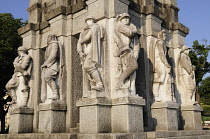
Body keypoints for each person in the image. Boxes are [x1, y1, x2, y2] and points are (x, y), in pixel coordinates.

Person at [113, 13, 140, 92]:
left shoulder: (130, 27)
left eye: (128, 18)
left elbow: (136, 44)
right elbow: (130, 33)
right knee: (133, 66)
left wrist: (136, 53)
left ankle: (130, 88)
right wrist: (135, 29)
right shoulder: (120, 25)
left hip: (130, 51)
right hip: (124, 50)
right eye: (124, 18)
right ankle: (120, 82)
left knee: (132, 73)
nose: (126, 19)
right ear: (121, 19)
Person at [77, 15, 104, 91]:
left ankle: (100, 84)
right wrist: (80, 52)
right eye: (87, 20)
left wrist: (81, 41)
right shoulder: (83, 32)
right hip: (84, 54)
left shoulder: (95, 27)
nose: (89, 22)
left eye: (90, 20)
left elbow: (87, 38)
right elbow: (78, 43)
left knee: (89, 66)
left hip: (92, 51)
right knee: (87, 73)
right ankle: (90, 90)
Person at [151, 30, 172, 102]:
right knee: (158, 79)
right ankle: (156, 96)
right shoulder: (160, 42)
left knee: (163, 79)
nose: (165, 37)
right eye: (164, 35)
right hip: (159, 61)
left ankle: (162, 95)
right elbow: (161, 54)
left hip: (161, 61)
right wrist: (166, 64)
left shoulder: (162, 42)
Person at [41, 34, 61, 101]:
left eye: (49, 37)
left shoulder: (54, 44)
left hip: (54, 64)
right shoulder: (49, 46)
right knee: (46, 77)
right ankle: (53, 94)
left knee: (47, 77)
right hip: (49, 65)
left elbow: (53, 55)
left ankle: (55, 94)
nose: (48, 39)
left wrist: (46, 64)